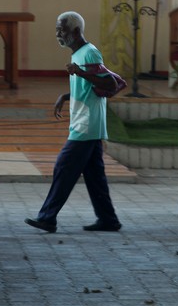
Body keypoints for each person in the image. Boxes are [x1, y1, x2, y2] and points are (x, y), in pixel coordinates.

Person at [25, 12, 122, 233]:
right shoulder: (78, 54)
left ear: (76, 31)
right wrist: (66, 96)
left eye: (62, 30)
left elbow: (109, 84)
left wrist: (79, 72)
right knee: (94, 175)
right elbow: (87, 87)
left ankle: (48, 217)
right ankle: (108, 220)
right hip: (86, 122)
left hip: (87, 124)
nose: (58, 34)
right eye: (57, 30)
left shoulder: (90, 53)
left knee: (64, 166)